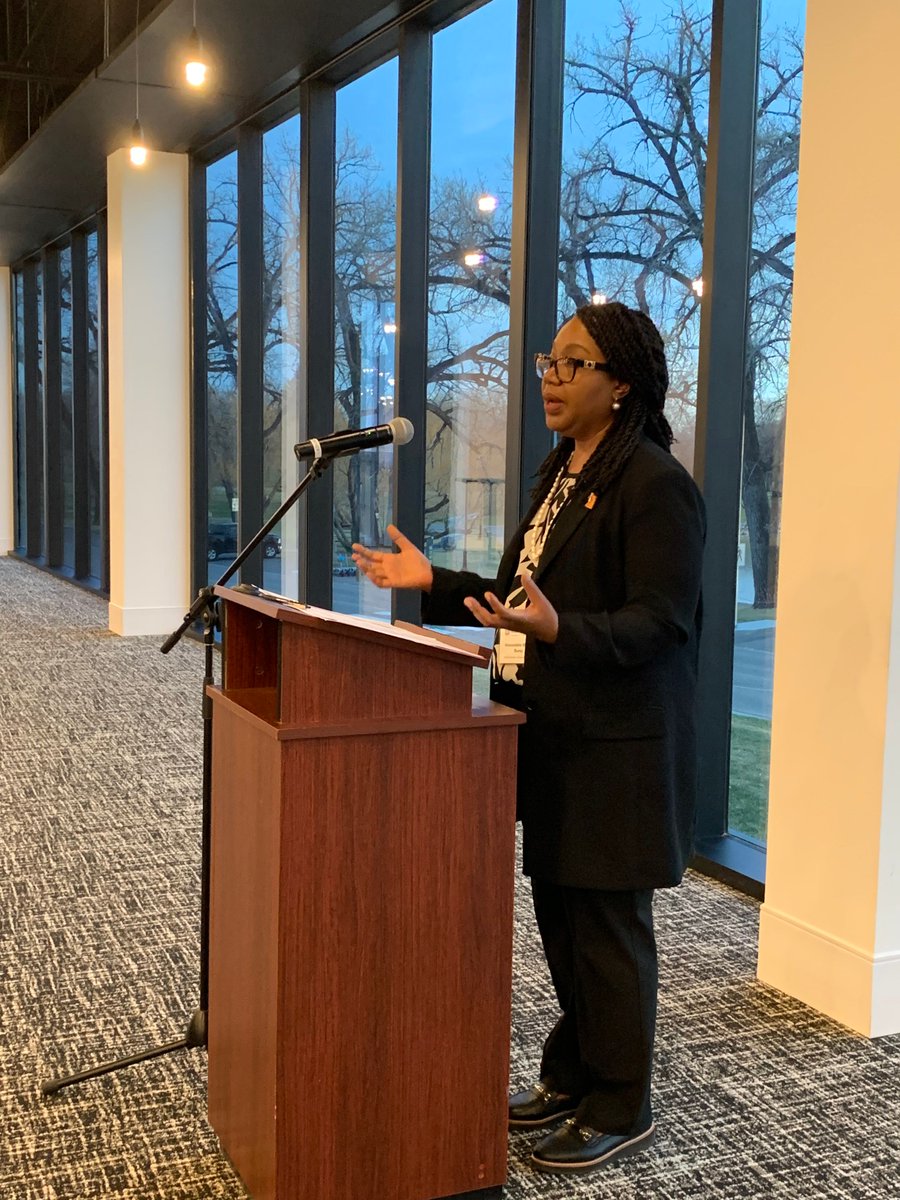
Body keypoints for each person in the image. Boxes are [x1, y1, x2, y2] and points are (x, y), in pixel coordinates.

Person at [352, 301, 705, 1175]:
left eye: (572, 365)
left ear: (620, 384)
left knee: (606, 933)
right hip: (550, 739)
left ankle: (624, 1102)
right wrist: (434, 582)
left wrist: (558, 632)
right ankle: (574, 1073)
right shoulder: (563, 471)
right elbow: (523, 601)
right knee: (561, 924)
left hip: (617, 753)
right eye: (548, 360)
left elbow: (661, 626)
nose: (549, 376)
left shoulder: (657, 485)